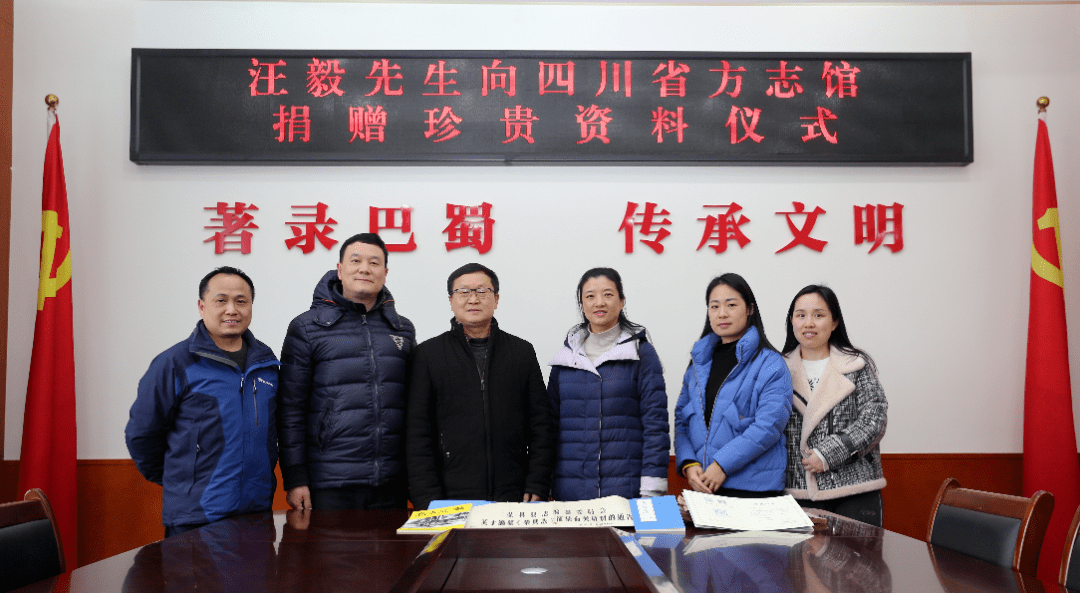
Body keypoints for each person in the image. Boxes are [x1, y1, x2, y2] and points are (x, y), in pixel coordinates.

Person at [126, 267, 280, 537]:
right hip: (195, 517)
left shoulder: (266, 366)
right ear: (201, 306)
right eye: (221, 300)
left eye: (241, 301)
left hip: (255, 513)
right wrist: (182, 480)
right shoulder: (175, 363)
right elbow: (142, 435)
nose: (232, 309)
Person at [277, 233, 415, 510]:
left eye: (374, 263)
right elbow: (290, 408)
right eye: (355, 261)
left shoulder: (402, 329)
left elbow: (413, 407)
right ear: (340, 269)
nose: (365, 269)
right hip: (330, 482)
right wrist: (295, 477)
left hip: (392, 481)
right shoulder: (307, 328)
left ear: (385, 273)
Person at [406, 263, 554, 510]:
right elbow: (418, 433)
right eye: (463, 292)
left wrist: (538, 482)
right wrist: (427, 498)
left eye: (482, 291)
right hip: (449, 494)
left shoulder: (521, 352)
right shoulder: (429, 355)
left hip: (514, 493)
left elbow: (541, 426)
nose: (473, 299)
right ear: (451, 300)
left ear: (496, 299)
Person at [547, 267, 669, 501]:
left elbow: (655, 425)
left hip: (626, 490)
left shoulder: (640, 354)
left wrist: (652, 488)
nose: (599, 302)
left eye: (608, 294)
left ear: (622, 301)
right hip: (571, 493)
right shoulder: (566, 358)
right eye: (590, 296)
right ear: (582, 305)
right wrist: (545, 484)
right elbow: (550, 428)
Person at [674, 273, 792, 497]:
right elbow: (681, 420)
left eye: (731, 305)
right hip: (705, 487)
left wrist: (722, 465)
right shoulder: (698, 364)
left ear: (749, 309)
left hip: (754, 489)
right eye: (714, 306)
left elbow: (769, 425)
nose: (722, 313)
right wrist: (689, 463)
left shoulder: (771, 363)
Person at [782, 285, 887, 526]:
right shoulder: (776, 368)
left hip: (854, 490)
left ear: (834, 322)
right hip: (796, 491)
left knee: (857, 552)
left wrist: (828, 453)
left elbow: (875, 419)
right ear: (792, 321)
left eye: (818, 315)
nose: (809, 323)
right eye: (801, 315)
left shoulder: (857, 365)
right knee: (800, 553)